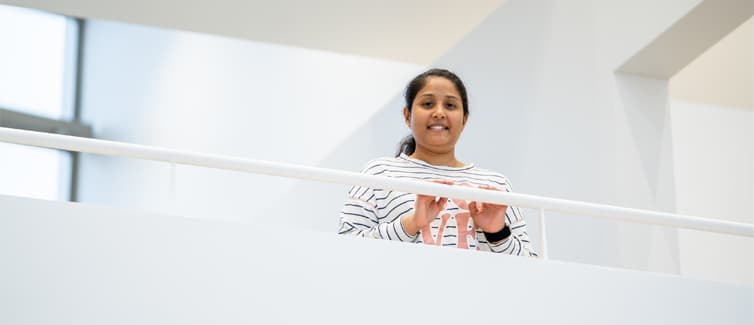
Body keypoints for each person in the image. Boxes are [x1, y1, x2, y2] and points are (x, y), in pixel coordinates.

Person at [337, 68, 536, 256]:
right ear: (407, 116)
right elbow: (346, 248)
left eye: (450, 105)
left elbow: (532, 265)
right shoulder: (378, 173)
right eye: (427, 104)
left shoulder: (495, 185)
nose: (439, 113)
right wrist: (411, 223)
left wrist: (497, 233)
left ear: (464, 119)